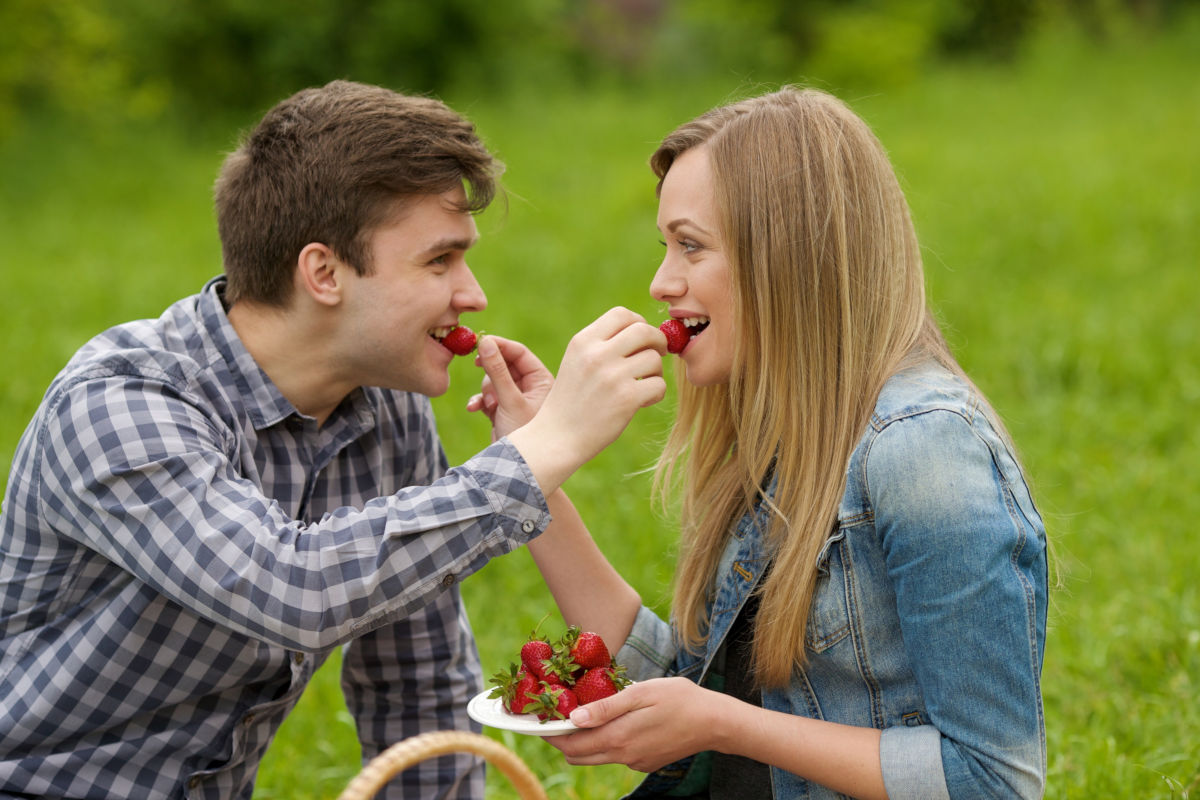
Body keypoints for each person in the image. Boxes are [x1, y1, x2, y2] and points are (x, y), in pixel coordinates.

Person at [0, 80, 666, 799]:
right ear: (323, 272)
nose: (472, 294)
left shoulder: (383, 408)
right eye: (439, 261)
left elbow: (416, 683)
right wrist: (547, 446)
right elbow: (291, 586)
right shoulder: (120, 404)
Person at [498, 87, 1048, 798]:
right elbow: (695, 691)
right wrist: (534, 468)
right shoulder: (786, 432)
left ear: (787, 258)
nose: (662, 282)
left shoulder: (923, 449)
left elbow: (991, 780)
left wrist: (723, 725)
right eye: (665, 246)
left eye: (690, 246)